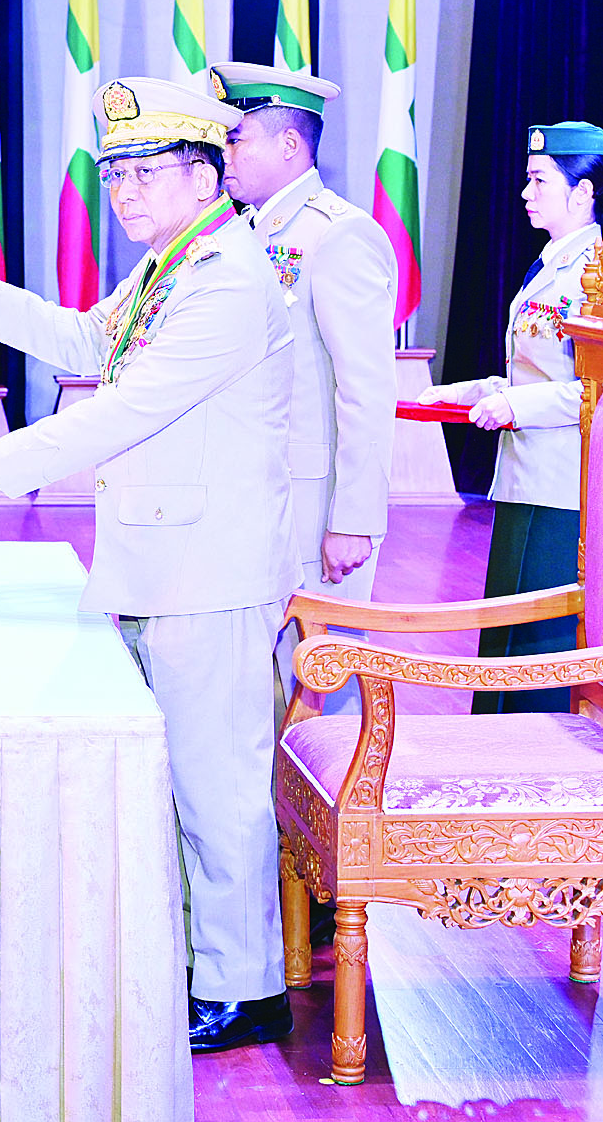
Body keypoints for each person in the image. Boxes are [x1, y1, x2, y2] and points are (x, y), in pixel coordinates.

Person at [0, 78, 301, 1053]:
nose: (122, 193)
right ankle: (208, 964)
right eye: (114, 174)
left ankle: (248, 988)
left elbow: (128, 406)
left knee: (216, 787)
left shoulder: (227, 276)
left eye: (144, 173)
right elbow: (90, 340)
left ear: (204, 175)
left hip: (209, 573)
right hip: (166, 559)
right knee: (181, 781)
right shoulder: (174, 263)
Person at [419, 121, 603, 712]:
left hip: (562, 487)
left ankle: (536, 757)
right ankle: (494, 751)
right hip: (524, 478)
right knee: (506, 637)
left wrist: (514, 405)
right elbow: (534, 374)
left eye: (540, 180)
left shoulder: (600, 271)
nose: (525, 192)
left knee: (539, 649)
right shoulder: (553, 261)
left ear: (583, 193)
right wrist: (458, 394)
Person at [209, 63, 397, 719]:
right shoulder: (244, 233)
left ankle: (328, 793)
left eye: (237, 139)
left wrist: (353, 519)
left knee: (321, 686)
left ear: (290, 144)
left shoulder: (338, 234)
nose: (224, 154)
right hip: (252, 494)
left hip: (314, 506)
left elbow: (366, 388)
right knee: (258, 691)